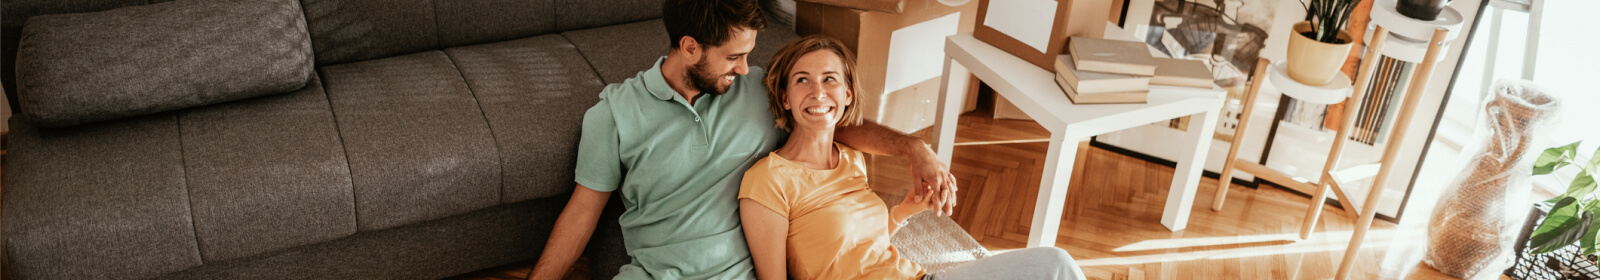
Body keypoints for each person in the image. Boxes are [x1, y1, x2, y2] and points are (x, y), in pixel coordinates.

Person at [525, 0, 959, 279]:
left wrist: (914, 148)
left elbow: (832, 122)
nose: (746, 68)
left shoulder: (754, 89)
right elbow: (581, 214)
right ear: (690, 48)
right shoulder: (614, 115)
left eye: (749, 54)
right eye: (733, 57)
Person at [738, 36, 1086, 280]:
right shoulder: (768, 180)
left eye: (829, 79)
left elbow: (862, 250)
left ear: (846, 95)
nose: (818, 92)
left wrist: (904, 213)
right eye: (803, 80)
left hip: (920, 276)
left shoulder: (851, 157)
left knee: (1055, 264)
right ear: (784, 98)